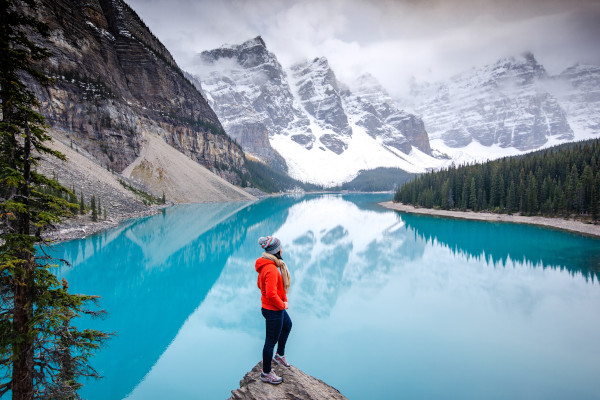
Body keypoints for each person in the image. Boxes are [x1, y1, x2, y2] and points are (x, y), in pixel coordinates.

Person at [255, 236, 292, 385]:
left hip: (272, 308)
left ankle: (279, 355)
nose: (282, 249)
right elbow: (270, 294)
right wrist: (282, 305)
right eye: (281, 248)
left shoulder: (267, 265)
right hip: (273, 310)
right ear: (277, 251)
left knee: (287, 325)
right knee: (270, 342)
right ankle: (266, 373)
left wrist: (281, 301)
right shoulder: (270, 268)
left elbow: (260, 284)